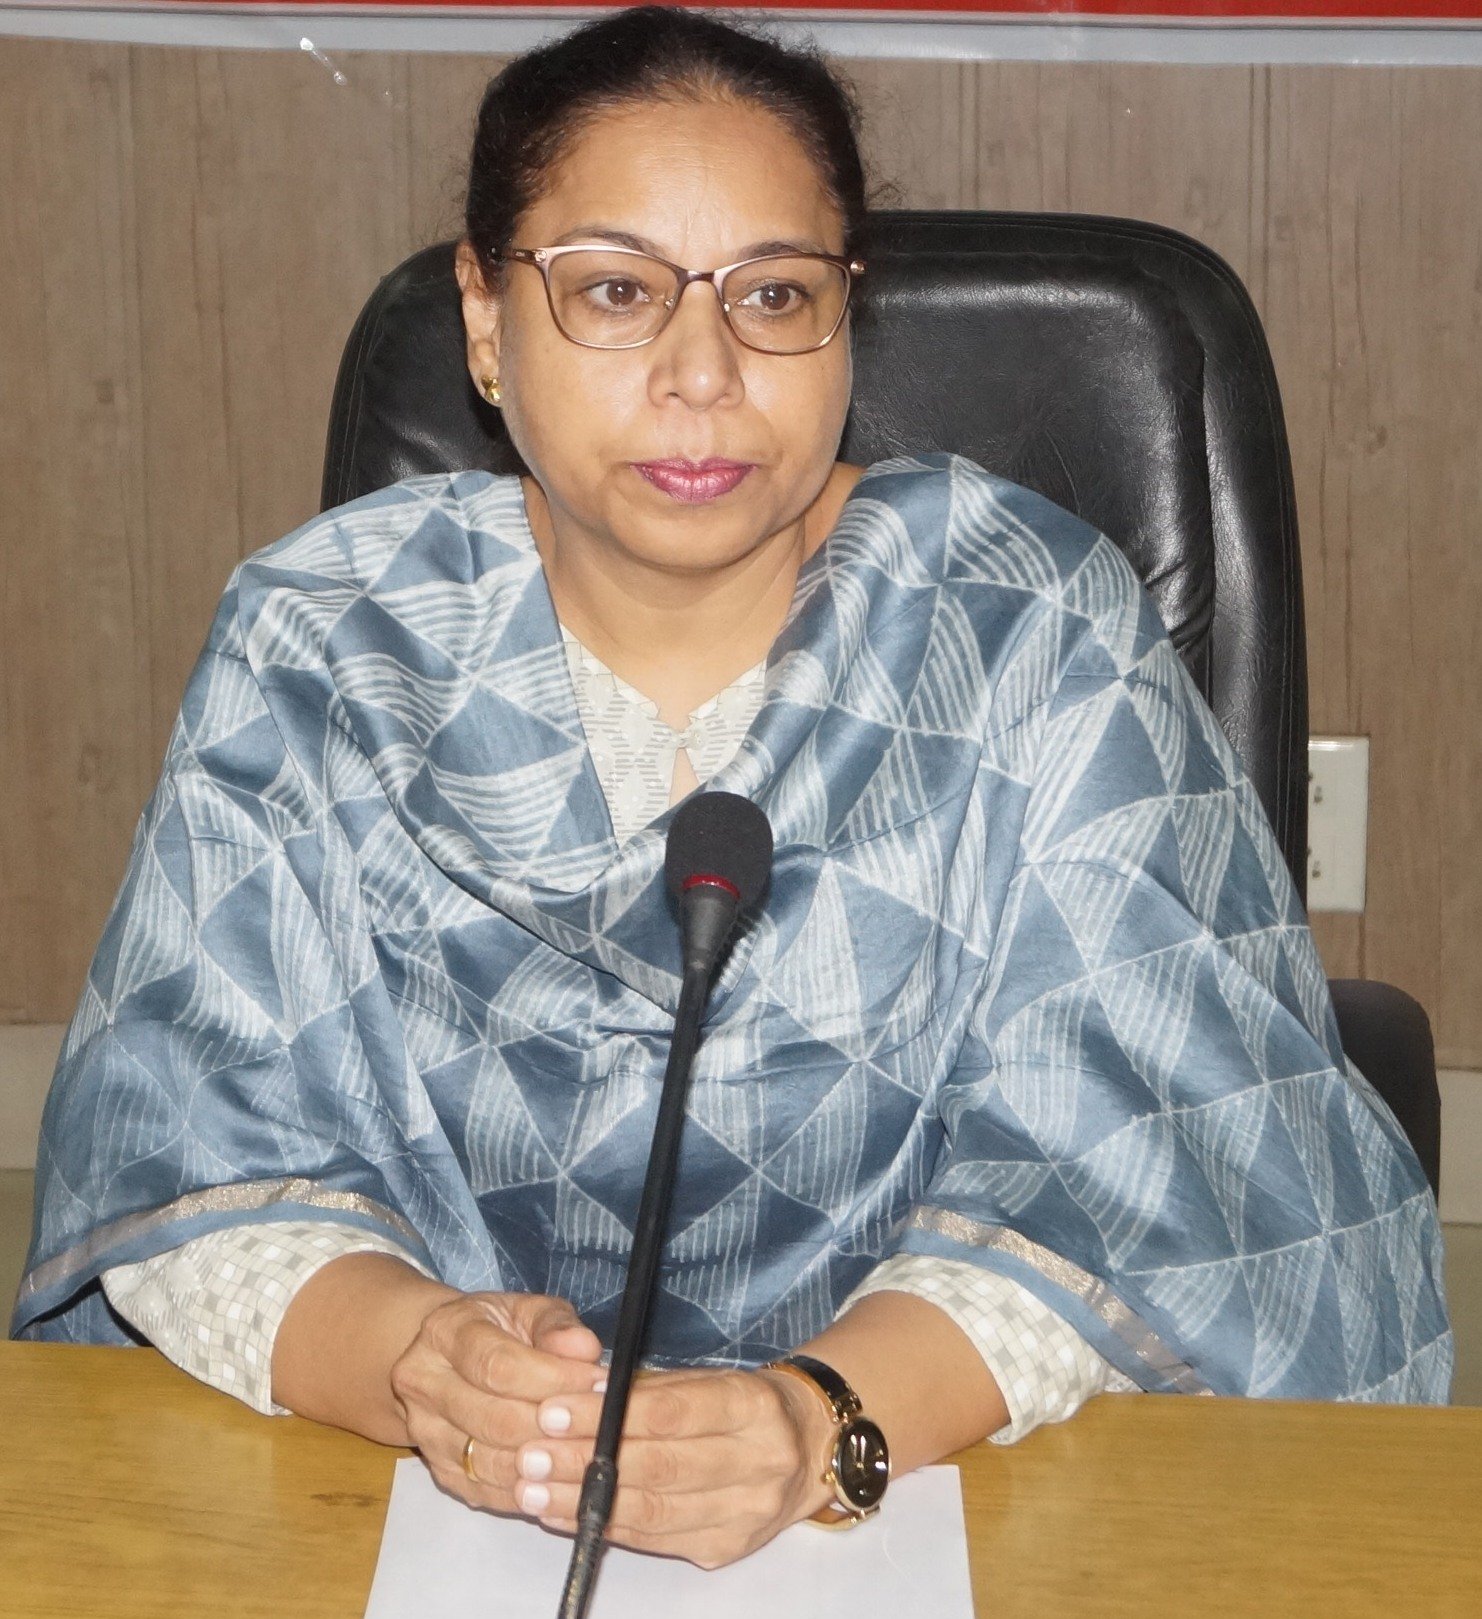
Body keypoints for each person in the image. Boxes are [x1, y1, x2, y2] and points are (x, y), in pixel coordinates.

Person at [12, 4, 1450, 1572]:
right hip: (417, 1509)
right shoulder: (326, 642)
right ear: (486, 319)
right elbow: (189, 1151)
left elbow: (1176, 1171)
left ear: (845, 320)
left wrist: (821, 1419)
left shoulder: (1021, 628)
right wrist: (416, 1358)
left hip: (961, 1487)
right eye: (614, 292)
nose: (701, 376)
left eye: (773, 296)